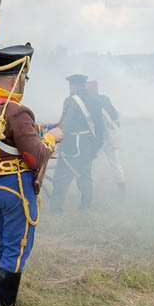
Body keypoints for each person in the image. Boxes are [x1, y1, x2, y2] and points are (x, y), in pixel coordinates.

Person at [0, 44, 62, 306]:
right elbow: (35, 156)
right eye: (25, 79)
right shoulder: (17, 111)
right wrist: (52, 138)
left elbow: (1, 137)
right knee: (17, 248)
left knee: (5, 241)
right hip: (15, 188)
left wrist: (36, 129)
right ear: (16, 78)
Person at [48, 73, 107, 212]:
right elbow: (101, 128)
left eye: (70, 86)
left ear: (73, 86)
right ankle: (85, 206)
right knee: (85, 177)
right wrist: (94, 149)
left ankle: (56, 210)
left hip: (72, 148)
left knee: (61, 178)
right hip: (88, 148)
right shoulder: (95, 99)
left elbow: (66, 127)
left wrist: (54, 138)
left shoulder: (70, 100)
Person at [86, 79, 125, 194]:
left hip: (102, 136)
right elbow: (115, 115)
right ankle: (122, 187)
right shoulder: (104, 98)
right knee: (115, 162)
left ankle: (88, 188)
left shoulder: (89, 101)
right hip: (112, 134)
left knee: (88, 161)